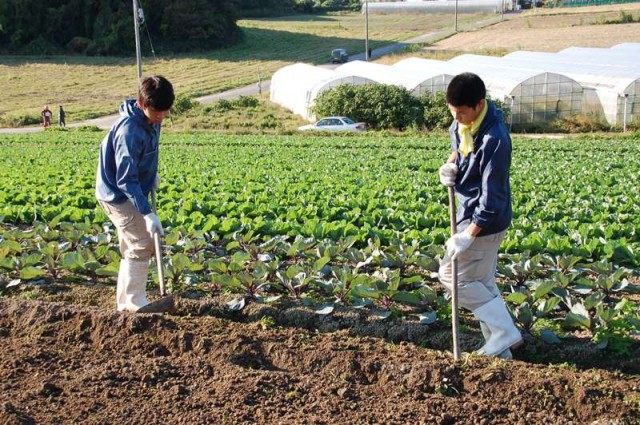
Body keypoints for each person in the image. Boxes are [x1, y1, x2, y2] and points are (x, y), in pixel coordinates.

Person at [437, 72, 522, 359]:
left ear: (479, 104)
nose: (457, 118)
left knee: (450, 275)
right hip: (469, 213)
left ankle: (505, 332)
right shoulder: (464, 125)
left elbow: (492, 198)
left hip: (485, 222)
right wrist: (450, 167)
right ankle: (502, 353)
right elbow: (457, 152)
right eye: (453, 111)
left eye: (462, 112)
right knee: (482, 283)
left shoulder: (494, 140)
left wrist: (467, 236)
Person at [96, 75, 175, 313]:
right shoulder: (129, 132)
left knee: (133, 244)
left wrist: (151, 176)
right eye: (157, 112)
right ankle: (132, 302)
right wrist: (147, 213)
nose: (161, 117)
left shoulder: (154, 118)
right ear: (141, 105)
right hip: (118, 194)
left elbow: (148, 152)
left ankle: (125, 303)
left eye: (165, 111)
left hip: (136, 186)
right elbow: (126, 180)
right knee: (142, 243)